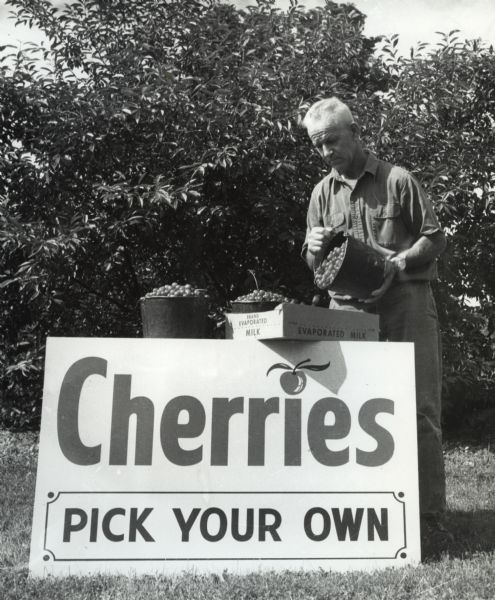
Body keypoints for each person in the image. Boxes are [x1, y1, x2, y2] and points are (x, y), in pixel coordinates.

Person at [301, 97, 451, 552]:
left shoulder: (397, 180)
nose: (326, 152)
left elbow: (434, 236)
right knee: (349, 412)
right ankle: (361, 513)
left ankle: (428, 518)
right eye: (317, 146)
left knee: (419, 408)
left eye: (332, 141)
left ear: (354, 132)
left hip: (406, 301)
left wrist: (402, 260)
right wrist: (312, 244)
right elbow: (314, 266)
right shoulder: (322, 194)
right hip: (348, 311)